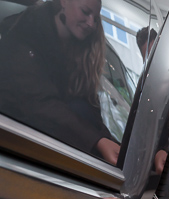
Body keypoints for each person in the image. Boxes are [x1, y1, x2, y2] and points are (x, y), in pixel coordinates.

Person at [0, 0, 120, 165]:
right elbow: (39, 104)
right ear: (64, 2)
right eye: (85, 11)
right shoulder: (24, 35)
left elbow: (90, 114)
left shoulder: (79, 53)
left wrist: (107, 141)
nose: (91, 23)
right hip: (15, 152)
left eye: (96, 17)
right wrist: (98, 141)